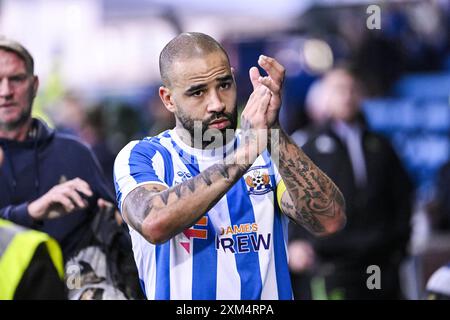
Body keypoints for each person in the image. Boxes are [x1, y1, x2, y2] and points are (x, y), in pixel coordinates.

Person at [114, 32, 346, 300]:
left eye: (224, 85)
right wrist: (246, 152)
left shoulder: (268, 150)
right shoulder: (143, 156)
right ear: (168, 99)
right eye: (198, 92)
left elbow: (329, 220)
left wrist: (274, 132)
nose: (217, 103)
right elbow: (155, 224)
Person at [0, 37, 141, 299]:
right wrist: (30, 212)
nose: (6, 91)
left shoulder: (74, 153)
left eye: (16, 79)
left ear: (34, 85)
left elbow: (119, 232)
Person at [289, 67, 414, 299]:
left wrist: (400, 245)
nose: (346, 96)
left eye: (352, 89)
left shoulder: (381, 145)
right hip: (332, 264)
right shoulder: (308, 145)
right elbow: (292, 198)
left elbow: (402, 195)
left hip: (380, 261)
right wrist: (294, 243)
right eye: (339, 89)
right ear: (326, 94)